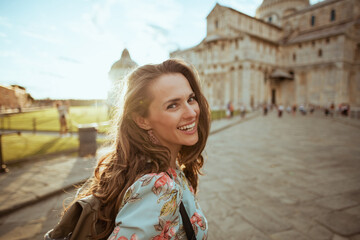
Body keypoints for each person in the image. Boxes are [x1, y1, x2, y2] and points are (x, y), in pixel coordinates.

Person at [45, 59, 210, 240]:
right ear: (142, 120)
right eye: (173, 105)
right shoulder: (158, 187)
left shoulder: (150, 168)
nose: (192, 112)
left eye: (191, 99)